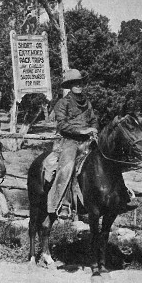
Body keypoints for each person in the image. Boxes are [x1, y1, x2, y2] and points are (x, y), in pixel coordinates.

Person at [48, 69, 100, 219]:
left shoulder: (87, 102)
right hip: (69, 141)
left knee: (106, 159)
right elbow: (62, 125)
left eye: (80, 83)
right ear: (70, 86)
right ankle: (63, 203)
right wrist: (82, 131)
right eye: (75, 83)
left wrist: (94, 129)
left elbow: (94, 120)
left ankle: (119, 195)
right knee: (67, 167)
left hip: (88, 140)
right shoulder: (62, 103)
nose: (78, 85)